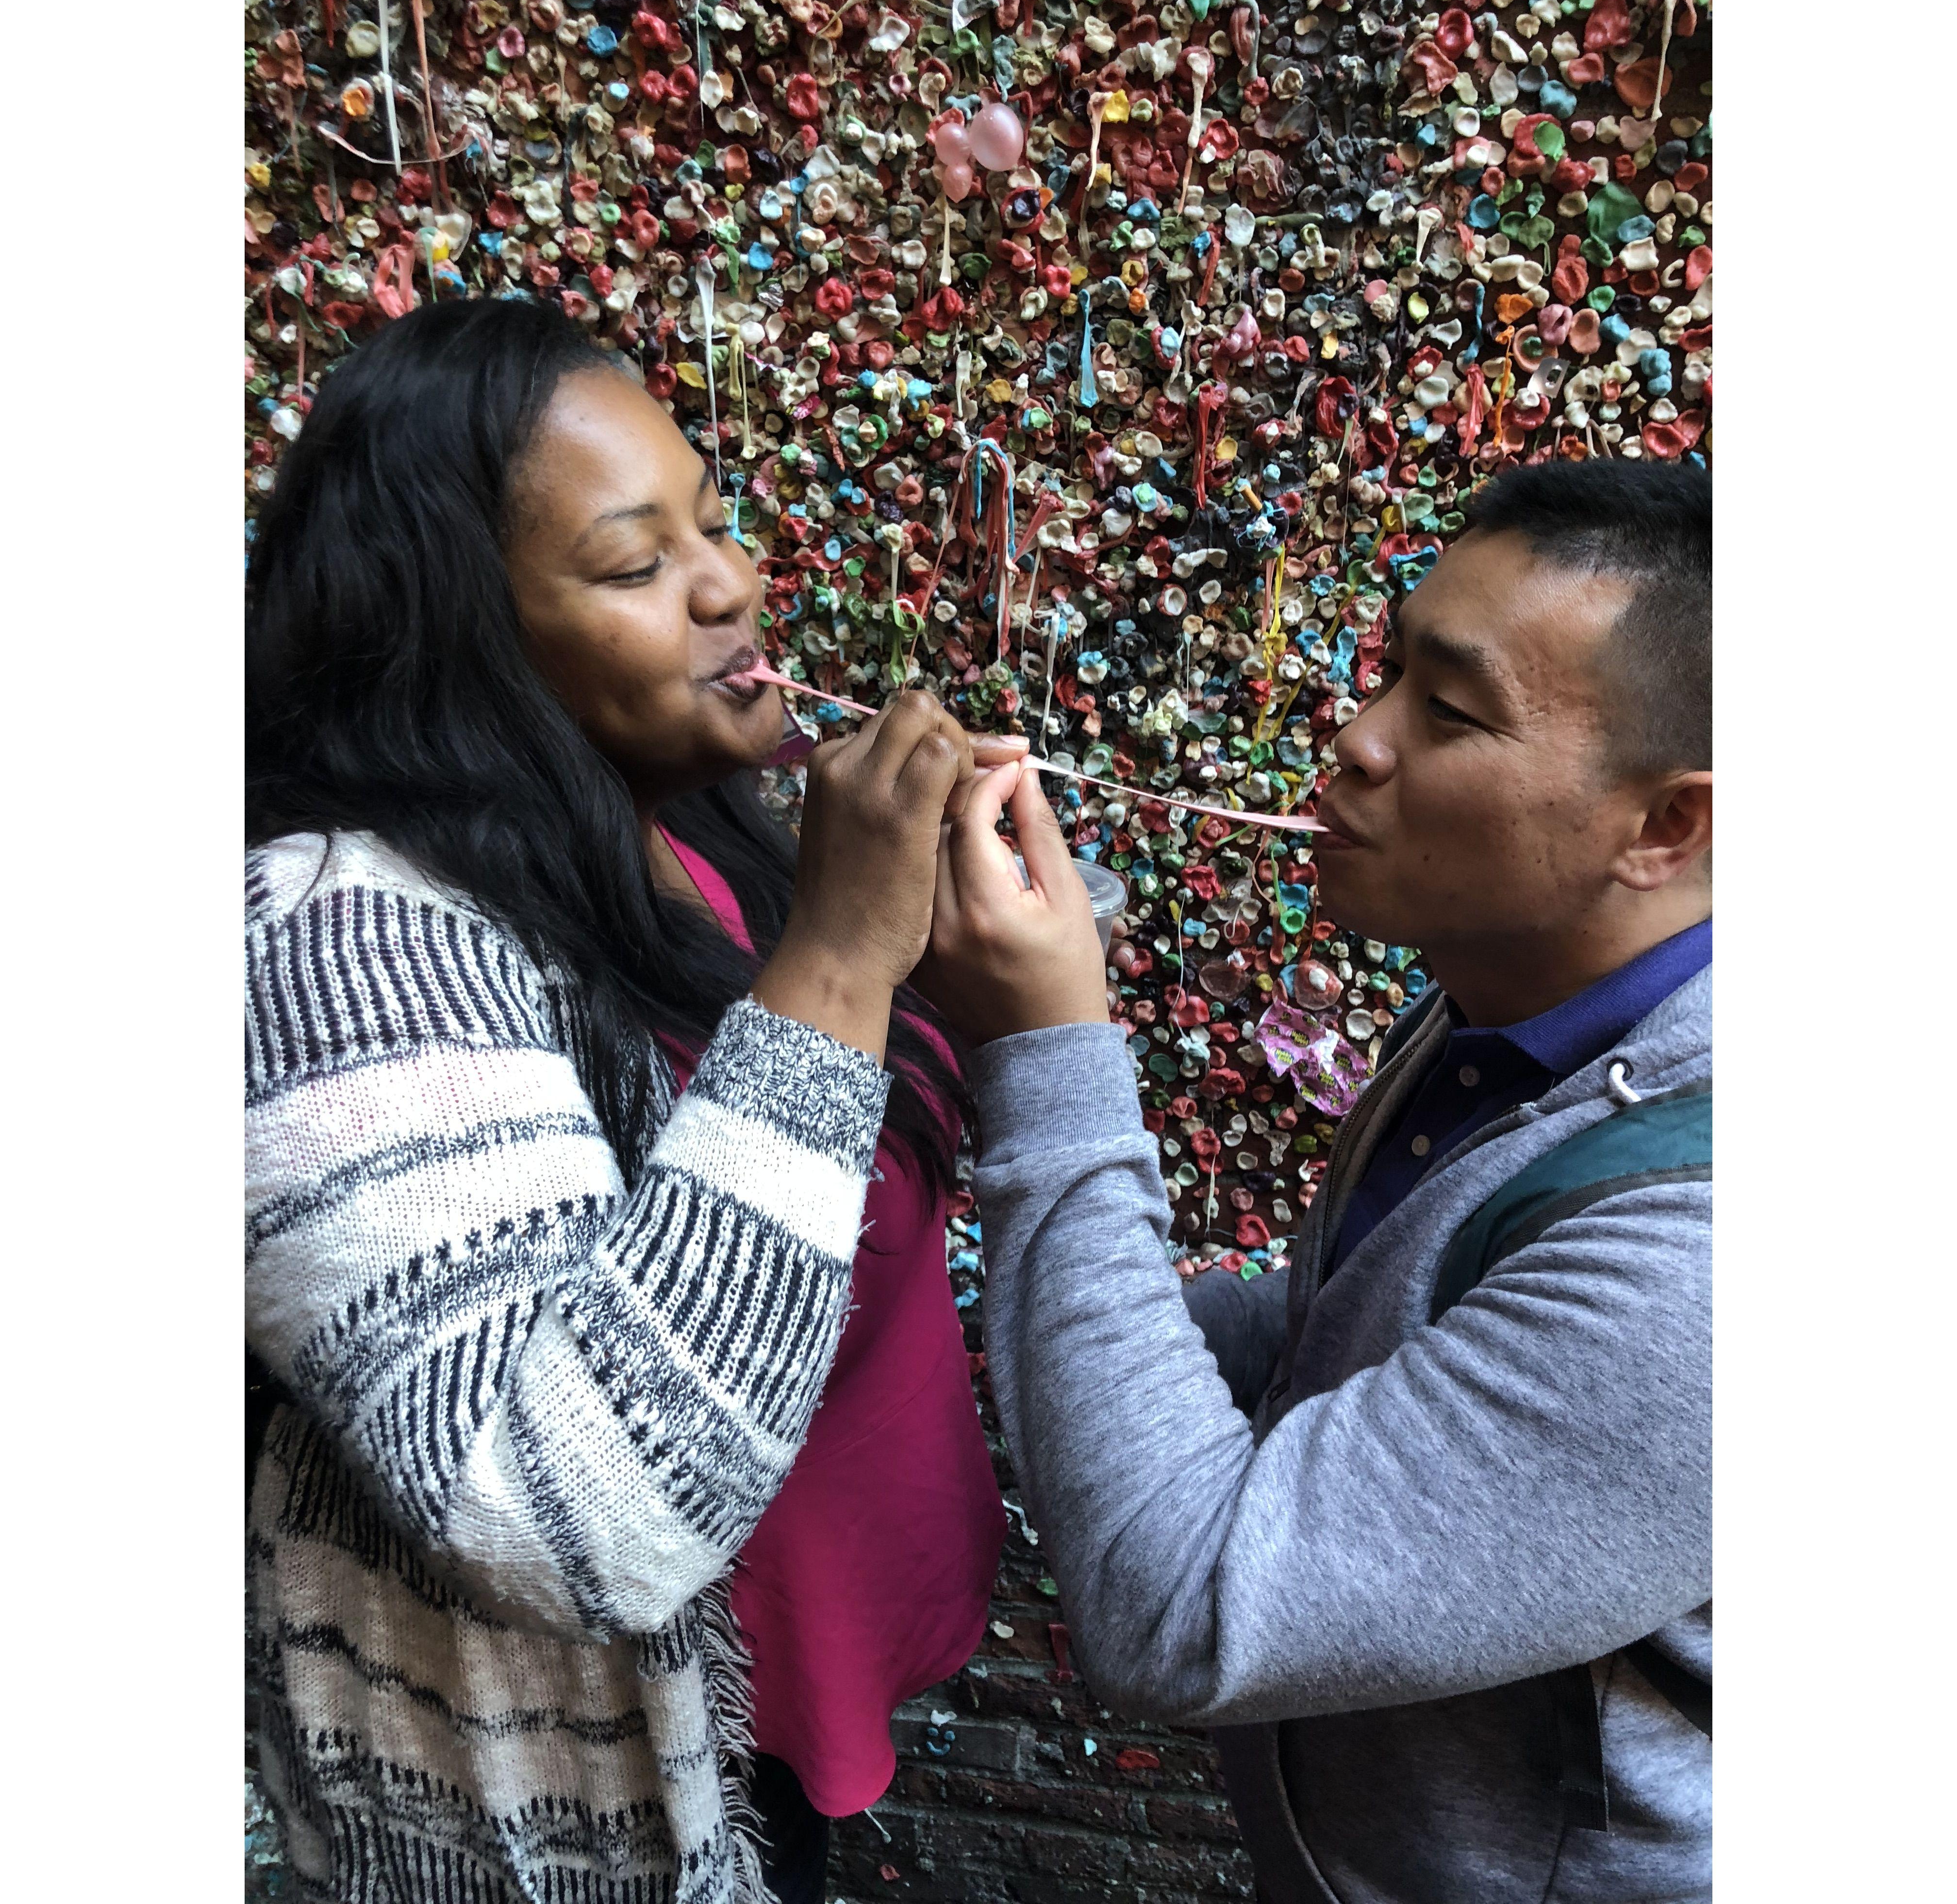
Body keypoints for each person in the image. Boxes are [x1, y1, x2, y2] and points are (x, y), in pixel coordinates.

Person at [244, 298, 1020, 1904]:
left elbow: (796, 1193)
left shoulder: (693, 825)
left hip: (806, 1698)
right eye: (633, 563)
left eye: (715, 522)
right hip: (609, 1818)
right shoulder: (334, 941)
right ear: (452, 632)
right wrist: (843, 963)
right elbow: (568, 1512)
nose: (731, 584)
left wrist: (956, 975)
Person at [916, 459, 1713, 1902]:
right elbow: (1372, 1326)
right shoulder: (1511, 1011)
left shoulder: (1708, 1263)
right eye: (1388, 670)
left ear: (1667, 827)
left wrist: (1045, 1051)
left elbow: (1175, 1608)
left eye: (1450, 712)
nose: (1355, 741)